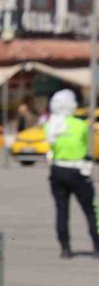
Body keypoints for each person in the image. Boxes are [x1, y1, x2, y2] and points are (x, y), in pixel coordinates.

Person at [44, 89, 99, 259]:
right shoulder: (80, 125)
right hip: (78, 171)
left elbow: (51, 146)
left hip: (58, 170)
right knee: (91, 210)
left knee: (62, 211)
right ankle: (97, 246)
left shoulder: (50, 126)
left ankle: (65, 248)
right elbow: (86, 145)